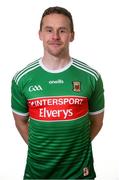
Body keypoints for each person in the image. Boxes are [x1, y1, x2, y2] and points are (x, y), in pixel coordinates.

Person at [11, 6, 104, 179]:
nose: (55, 36)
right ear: (40, 34)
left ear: (72, 35)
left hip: (79, 173)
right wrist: (41, 151)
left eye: (62, 30)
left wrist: (76, 150)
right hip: (38, 173)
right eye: (49, 30)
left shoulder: (91, 77)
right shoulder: (22, 79)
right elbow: (21, 122)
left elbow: (97, 122)